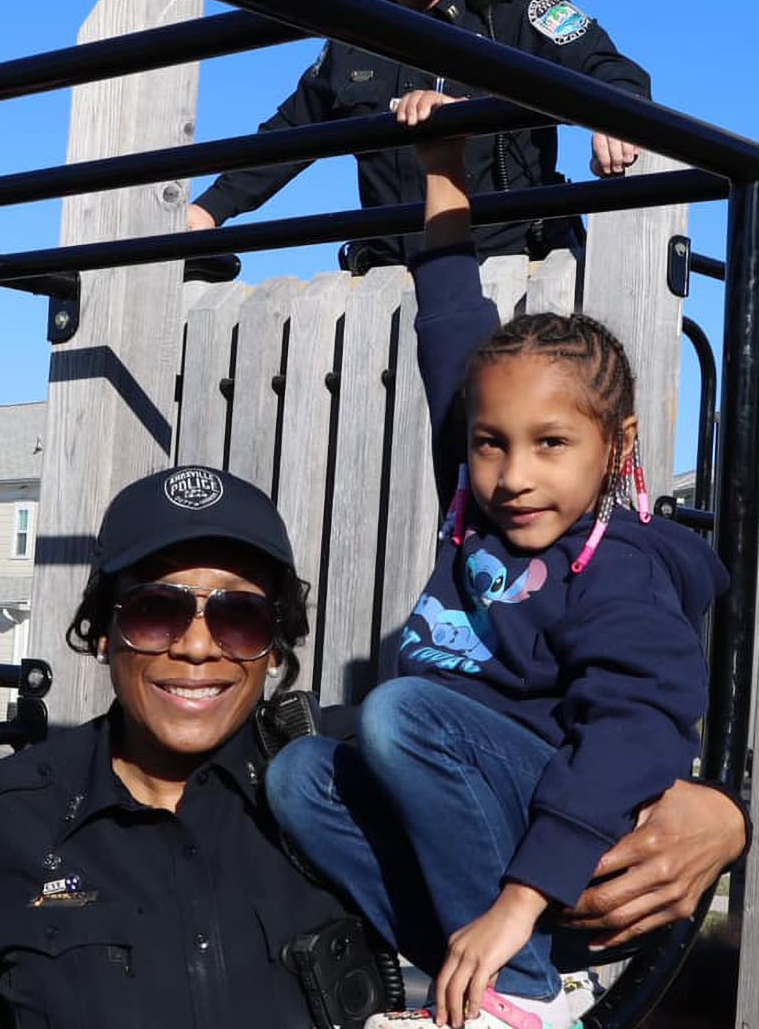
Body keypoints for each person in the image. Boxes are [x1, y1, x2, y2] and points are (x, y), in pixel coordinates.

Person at [0, 465, 744, 1028]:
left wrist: (721, 815)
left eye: (239, 614)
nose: (195, 646)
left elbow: (576, 787)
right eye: (155, 609)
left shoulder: (348, 788)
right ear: (103, 632)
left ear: (275, 643)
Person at [265, 91, 726, 1029]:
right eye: (490, 443)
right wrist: (443, 167)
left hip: (574, 853)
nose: (513, 475)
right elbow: (449, 320)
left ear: (615, 444)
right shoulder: (475, 504)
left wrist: (520, 903)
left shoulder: (620, 568)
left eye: (551, 444)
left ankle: (524, 992)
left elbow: (631, 739)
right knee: (301, 776)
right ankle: (470, 984)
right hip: (493, 844)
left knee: (399, 713)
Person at [186, 0, 651, 272]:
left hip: (508, 282)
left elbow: (611, 69)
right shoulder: (354, 31)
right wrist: (206, 211)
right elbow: (288, 135)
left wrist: (614, 113)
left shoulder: (514, 9)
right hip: (385, 295)